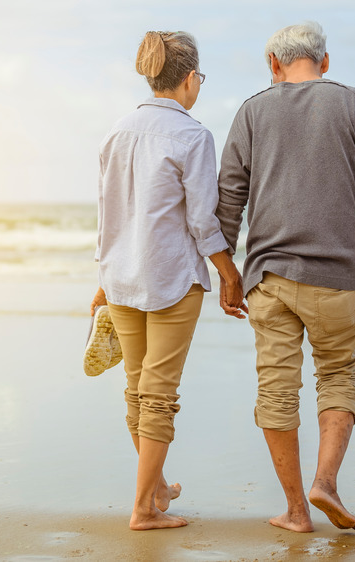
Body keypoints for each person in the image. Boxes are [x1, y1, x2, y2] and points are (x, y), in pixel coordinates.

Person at [215, 21, 355, 533]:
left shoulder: (253, 110)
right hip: (337, 279)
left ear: (274, 66)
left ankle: (296, 511)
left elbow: (229, 198)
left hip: (270, 278)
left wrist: (227, 272)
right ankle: (324, 481)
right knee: (338, 375)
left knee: (277, 391)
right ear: (325, 63)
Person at [90, 30, 247, 531]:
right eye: (199, 76)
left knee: (137, 390)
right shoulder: (192, 135)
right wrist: (228, 273)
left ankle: (154, 489)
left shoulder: (117, 131)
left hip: (121, 278)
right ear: (189, 79)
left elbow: (106, 215)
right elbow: (203, 220)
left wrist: (101, 278)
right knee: (158, 395)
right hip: (172, 279)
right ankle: (142, 510)